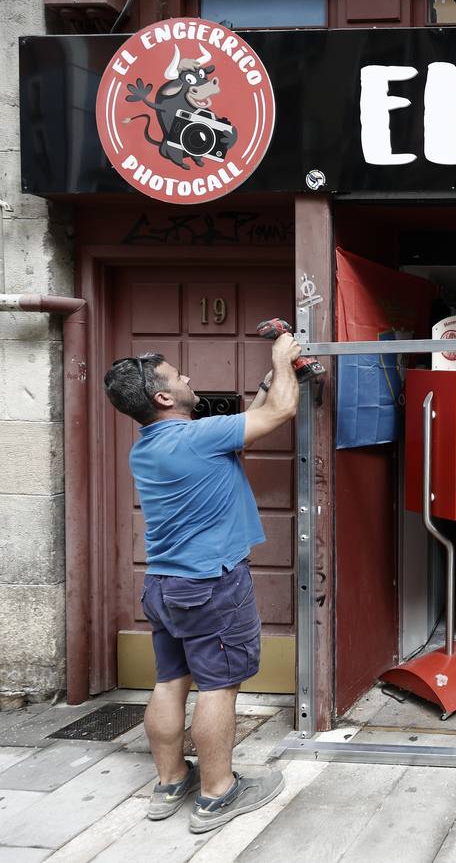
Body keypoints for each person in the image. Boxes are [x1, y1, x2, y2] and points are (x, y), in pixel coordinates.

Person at [102, 334, 301, 834]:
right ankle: (218, 792)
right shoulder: (196, 437)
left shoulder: (148, 448)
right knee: (219, 686)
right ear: (162, 398)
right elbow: (281, 412)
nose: (187, 378)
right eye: (176, 376)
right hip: (210, 585)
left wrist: (266, 383)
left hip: (163, 585)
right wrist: (283, 357)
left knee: (170, 680)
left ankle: (170, 782)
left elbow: (242, 431)